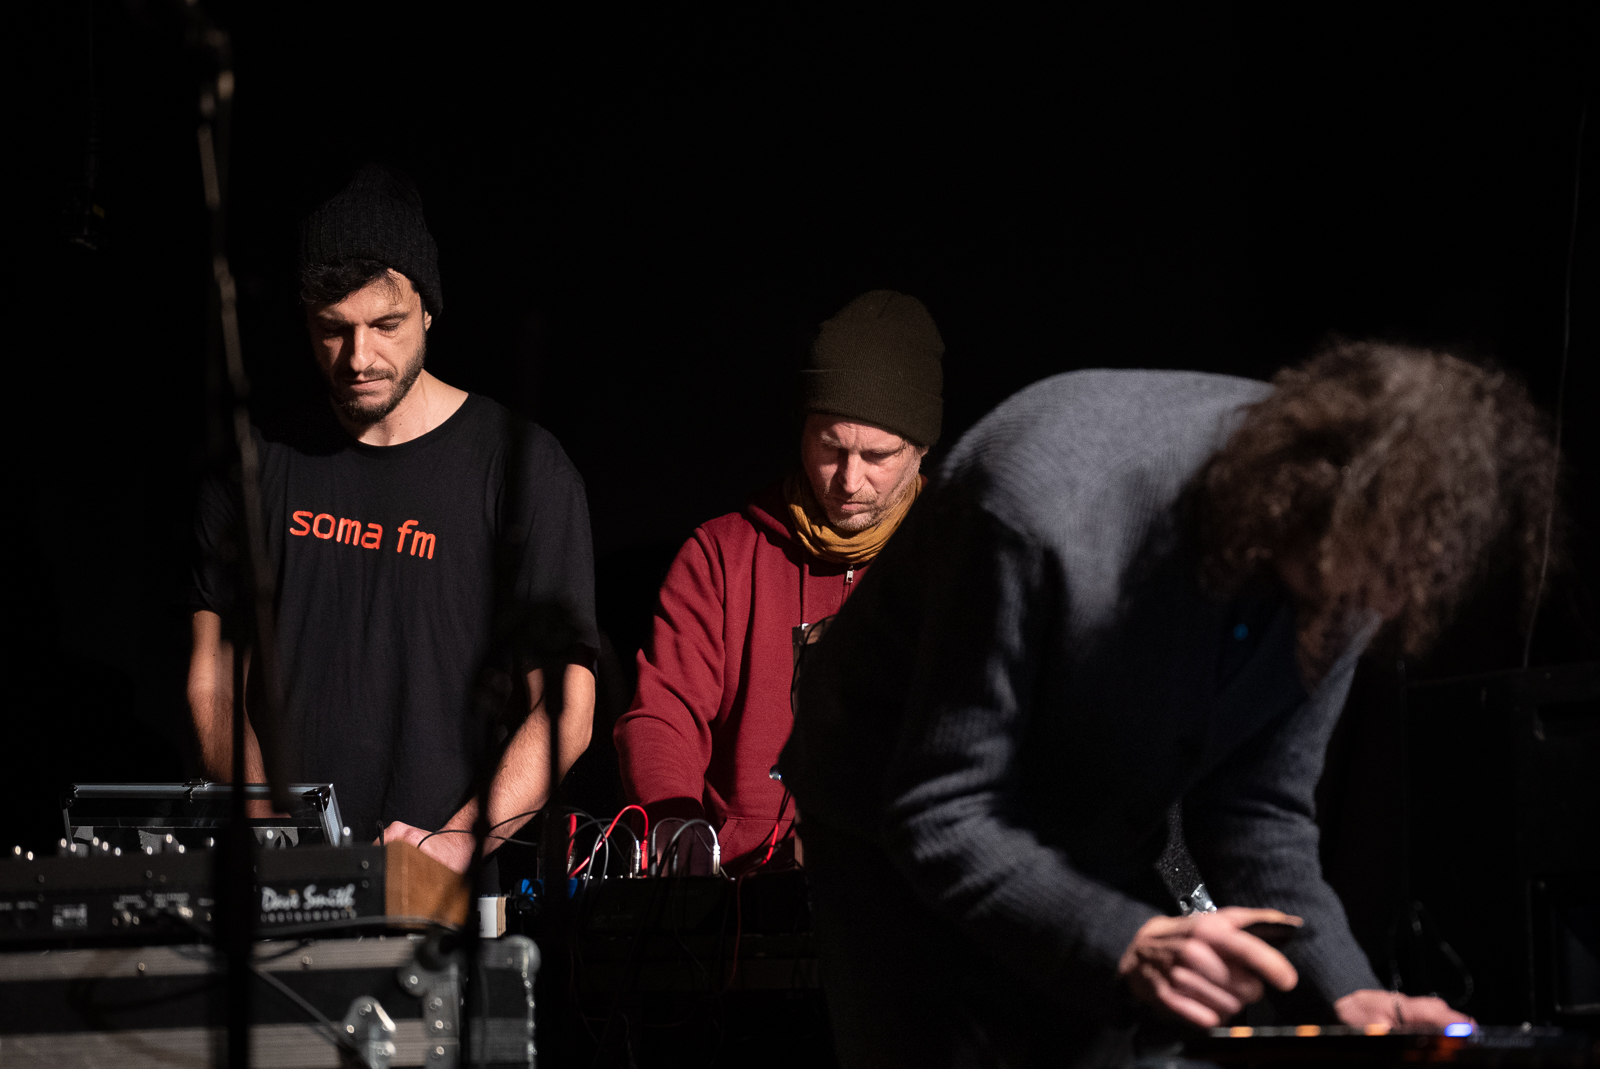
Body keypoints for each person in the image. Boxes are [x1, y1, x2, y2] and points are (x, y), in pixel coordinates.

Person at [782, 342, 1559, 1067]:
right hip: (890, 825)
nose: (1351, 616)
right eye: (1343, 591)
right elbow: (941, 811)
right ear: (1298, 500)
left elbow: (1259, 814)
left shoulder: (1358, 560)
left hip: (1086, 819)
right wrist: (1125, 940)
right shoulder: (1042, 502)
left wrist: (1347, 993)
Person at [187, 165, 598, 876]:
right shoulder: (253, 469)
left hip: (449, 889)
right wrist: (272, 830)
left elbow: (567, 707)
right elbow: (212, 680)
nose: (360, 358)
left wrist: (456, 844)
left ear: (428, 310)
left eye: (386, 325)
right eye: (333, 330)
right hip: (283, 880)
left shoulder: (524, 469)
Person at [613, 290, 944, 871]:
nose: (848, 480)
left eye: (877, 456)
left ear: (920, 449)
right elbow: (663, 713)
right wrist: (675, 820)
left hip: (906, 887)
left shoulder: (960, 562)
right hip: (744, 891)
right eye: (830, 447)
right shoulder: (721, 555)